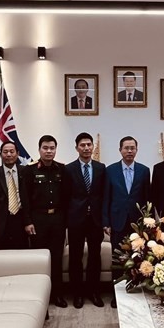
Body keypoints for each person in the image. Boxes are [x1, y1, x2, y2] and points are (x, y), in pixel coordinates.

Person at [103, 136, 150, 307]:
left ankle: (135, 290)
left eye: (132, 148)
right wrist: (106, 222)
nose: (129, 151)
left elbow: (146, 199)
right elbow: (106, 198)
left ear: (137, 150)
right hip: (117, 221)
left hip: (137, 224)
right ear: (120, 150)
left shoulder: (144, 171)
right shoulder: (110, 170)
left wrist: (147, 221)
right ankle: (118, 293)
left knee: (137, 257)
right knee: (118, 258)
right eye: (126, 148)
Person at [21, 135, 67, 308]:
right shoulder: (29, 170)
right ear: (39, 150)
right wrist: (27, 221)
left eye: (52, 148)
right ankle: (40, 297)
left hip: (57, 219)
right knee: (40, 259)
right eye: (45, 148)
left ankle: (58, 295)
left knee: (56, 258)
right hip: (37, 220)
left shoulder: (62, 169)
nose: (49, 151)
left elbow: (66, 196)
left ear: (56, 149)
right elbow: (24, 198)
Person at [63, 132, 106, 309]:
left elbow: (103, 195)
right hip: (76, 220)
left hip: (95, 220)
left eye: (89, 145)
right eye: (83, 145)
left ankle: (94, 292)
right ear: (76, 148)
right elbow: (65, 196)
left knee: (95, 256)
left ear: (93, 147)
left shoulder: (101, 168)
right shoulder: (68, 169)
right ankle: (78, 294)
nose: (86, 148)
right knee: (76, 257)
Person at [0, 140, 28, 250]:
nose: (8, 154)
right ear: (0, 155)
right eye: (5, 152)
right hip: (1, 223)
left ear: (17, 154)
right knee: (1, 257)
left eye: (12, 152)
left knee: (23, 255)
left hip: (21, 220)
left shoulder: (26, 171)